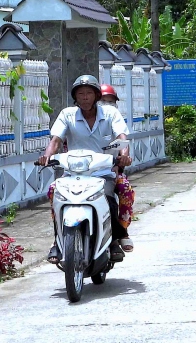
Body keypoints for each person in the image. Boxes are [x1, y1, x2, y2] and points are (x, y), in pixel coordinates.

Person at [38, 75, 132, 264]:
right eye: (80, 94)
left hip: (103, 172)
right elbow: (56, 140)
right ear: (75, 97)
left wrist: (123, 155)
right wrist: (47, 155)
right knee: (55, 193)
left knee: (109, 196)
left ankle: (115, 238)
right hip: (74, 172)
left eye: (89, 93)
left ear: (97, 95)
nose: (85, 97)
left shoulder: (110, 114)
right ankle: (57, 241)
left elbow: (122, 136)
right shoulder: (67, 114)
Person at [99, 84, 135, 251]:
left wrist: (123, 158)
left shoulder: (114, 119)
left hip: (111, 170)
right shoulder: (78, 120)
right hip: (81, 172)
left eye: (110, 102)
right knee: (55, 191)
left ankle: (123, 231)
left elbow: (123, 140)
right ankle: (59, 237)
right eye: (103, 101)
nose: (106, 105)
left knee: (125, 189)